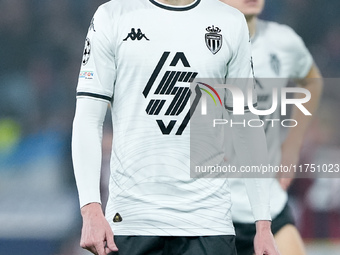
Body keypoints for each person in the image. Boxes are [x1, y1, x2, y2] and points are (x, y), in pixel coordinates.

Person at [72, 0, 280, 255]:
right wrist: (90, 207)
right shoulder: (112, 16)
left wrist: (263, 223)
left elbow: (246, 124)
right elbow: (88, 119)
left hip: (208, 223)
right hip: (132, 221)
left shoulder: (230, 22)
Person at [220, 0, 323, 255]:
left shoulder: (283, 40)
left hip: (269, 206)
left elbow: (312, 81)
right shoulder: (191, 41)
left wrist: (292, 145)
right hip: (208, 214)